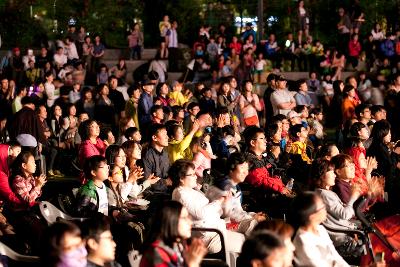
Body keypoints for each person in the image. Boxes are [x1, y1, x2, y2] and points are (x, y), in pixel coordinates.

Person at [170, 159, 245, 261]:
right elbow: (202, 214)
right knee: (244, 243)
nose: (196, 176)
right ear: (181, 178)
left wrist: (225, 213)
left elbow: (209, 209)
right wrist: (219, 201)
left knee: (244, 237)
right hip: (208, 237)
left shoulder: (190, 191)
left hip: (215, 230)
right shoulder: (181, 194)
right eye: (192, 175)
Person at [289, 191, 350, 267]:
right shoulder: (304, 241)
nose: (325, 210)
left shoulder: (320, 229)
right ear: (312, 216)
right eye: (322, 207)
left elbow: (335, 256)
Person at [140, 200, 207, 267]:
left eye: (189, 217)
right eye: (184, 218)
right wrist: (192, 264)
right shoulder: (156, 254)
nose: (190, 222)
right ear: (171, 220)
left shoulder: (179, 244)